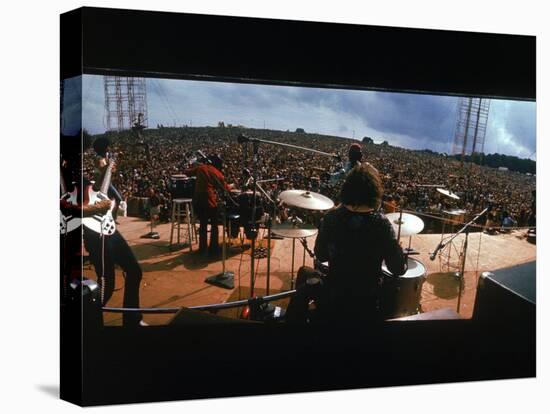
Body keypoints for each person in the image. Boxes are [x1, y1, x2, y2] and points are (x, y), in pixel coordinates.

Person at [61, 133, 145, 327]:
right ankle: (86, 324)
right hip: (94, 235)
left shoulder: (77, 174)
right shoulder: (63, 176)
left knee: (134, 271)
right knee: (107, 287)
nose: (81, 156)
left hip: (108, 230)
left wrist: (105, 174)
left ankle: (132, 319)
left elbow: (94, 193)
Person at [313, 163, 406, 322]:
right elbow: (398, 268)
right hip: (367, 305)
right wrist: (398, 250)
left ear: (347, 189)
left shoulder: (331, 218)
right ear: (374, 193)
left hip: (334, 300)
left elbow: (320, 255)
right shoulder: (382, 224)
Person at [184, 154, 232, 255]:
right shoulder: (218, 173)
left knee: (203, 225)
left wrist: (191, 165)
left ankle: (202, 249)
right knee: (214, 225)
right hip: (209, 202)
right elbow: (226, 189)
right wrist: (233, 185)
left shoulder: (201, 168)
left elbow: (187, 172)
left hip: (197, 202)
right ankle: (213, 248)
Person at [92, 136, 123, 221]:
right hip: (103, 183)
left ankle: (111, 217)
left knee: (113, 200)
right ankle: (112, 218)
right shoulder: (99, 159)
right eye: (107, 146)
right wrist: (110, 164)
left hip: (108, 182)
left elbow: (113, 170)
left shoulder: (106, 157)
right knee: (118, 199)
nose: (109, 148)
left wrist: (118, 160)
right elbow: (103, 169)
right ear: (104, 148)